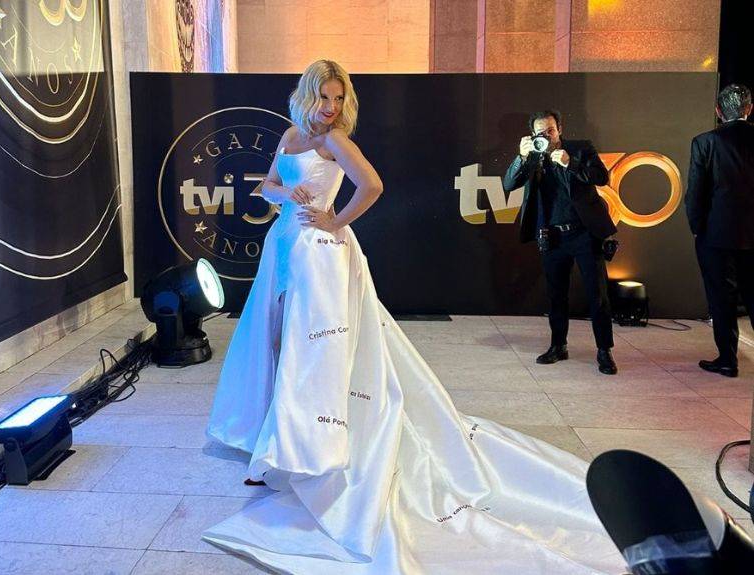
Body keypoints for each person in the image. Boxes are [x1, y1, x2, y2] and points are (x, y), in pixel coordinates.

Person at [203, 60, 625, 574]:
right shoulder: (292, 136)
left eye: (339, 98)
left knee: (307, 350)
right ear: (307, 95)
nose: (331, 107)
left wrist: (335, 221)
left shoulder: (336, 141)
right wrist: (283, 193)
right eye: (324, 97)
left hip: (318, 252)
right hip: (283, 244)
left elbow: (372, 186)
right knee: (273, 341)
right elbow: (268, 183)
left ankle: (295, 452)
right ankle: (271, 442)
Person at [503, 110, 619, 375]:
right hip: (551, 235)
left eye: (550, 131)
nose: (546, 136)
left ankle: (604, 350)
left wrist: (570, 164)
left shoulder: (580, 149)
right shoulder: (532, 156)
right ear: (532, 134)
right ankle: (558, 346)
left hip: (584, 233)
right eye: (540, 133)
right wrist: (522, 157)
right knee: (556, 295)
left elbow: (602, 177)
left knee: (597, 295)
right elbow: (509, 184)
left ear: (560, 130)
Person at [686, 83, 754, 379]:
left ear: (718, 111)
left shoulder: (705, 142)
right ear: (749, 109)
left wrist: (697, 227)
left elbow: (695, 192)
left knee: (721, 298)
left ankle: (728, 360)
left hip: (716, 235)